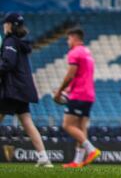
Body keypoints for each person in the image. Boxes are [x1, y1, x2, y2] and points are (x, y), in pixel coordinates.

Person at [0, 13, 53, 168]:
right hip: (22, 89)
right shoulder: (20, 43)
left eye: (5, 24)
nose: (4, 26)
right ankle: (43, 157)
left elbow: (8, 64)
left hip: (12, 89)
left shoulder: (10, 41)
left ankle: (44, 158)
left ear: (10, 25)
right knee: (27, 122)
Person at [54, 27, 101, 168]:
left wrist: (59, 91)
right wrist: (68, 89)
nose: (68, 42)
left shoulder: (74, 53)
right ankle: (78, 161)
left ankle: (91, 149)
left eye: (68, 39)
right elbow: (82, 76)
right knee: (81, 127)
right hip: (89, 95)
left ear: (74, 38)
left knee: (67, 125)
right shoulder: (87, 52)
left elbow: (70, 75)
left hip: (78, 95)